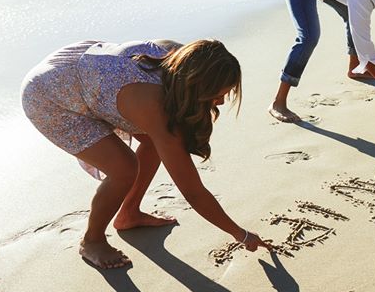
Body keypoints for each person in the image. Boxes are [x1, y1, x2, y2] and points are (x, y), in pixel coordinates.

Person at [20, 39, 271, 269]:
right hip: (50, 96)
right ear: (196, 86)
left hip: (83, 71)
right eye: (217, 95)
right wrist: (240, 233)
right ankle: (92, 240)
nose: (222, 102)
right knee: (124, 169)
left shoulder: (183, 59)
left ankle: (129, 213)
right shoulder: (152, 104)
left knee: (155, 139)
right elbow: (193, 191)